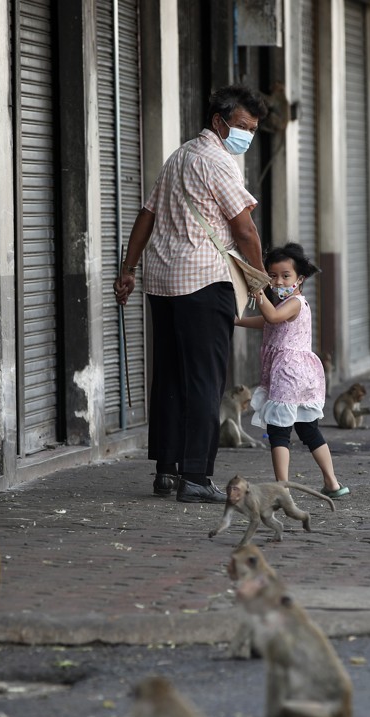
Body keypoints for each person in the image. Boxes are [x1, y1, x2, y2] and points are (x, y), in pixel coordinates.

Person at [114, 85, 269, 503]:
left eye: (252, 129)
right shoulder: (218, 161)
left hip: (163, 283)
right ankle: (197, 477)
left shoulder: (178, 156)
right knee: (204, 381)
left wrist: (129, 269)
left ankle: (167, 471)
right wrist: (260, 277)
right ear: (218, 122)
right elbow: (244, 229)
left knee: (169, 376)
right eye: (241, 126)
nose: (246, 136)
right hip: (203, 282)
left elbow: (146, 215)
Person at [235, 243, 348, 498]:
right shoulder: (284, 304)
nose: (278, 281)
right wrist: (236, 320)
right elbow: (267, 322)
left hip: (289, 374)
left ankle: (282, 487)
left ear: (300, 279)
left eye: (286, 276)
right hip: (299, 375)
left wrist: (258, 292)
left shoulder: (295, 302)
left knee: (278, 431)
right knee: (308, 429)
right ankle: (332, 483)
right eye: (272, 276)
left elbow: (272, 317)